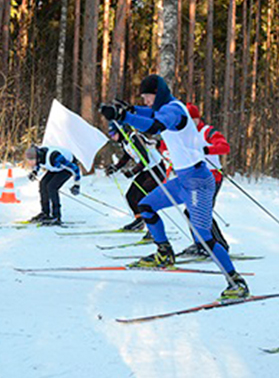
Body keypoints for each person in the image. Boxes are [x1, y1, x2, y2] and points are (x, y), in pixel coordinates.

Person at [99, 74, 249, 299]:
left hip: (198, 182)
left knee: (203, 236)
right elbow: (148, 113)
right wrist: (129, 110)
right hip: (182, 181)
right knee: (146, 205)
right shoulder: (164, 107)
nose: (146, 101)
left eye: (147, 97)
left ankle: (236, 282)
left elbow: (154, 124)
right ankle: (164, 253)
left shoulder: (174, 111)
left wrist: (125, 116)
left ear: (157, 94)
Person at [178, 103, 231, 257]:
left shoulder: (207, 131)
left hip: (213, 176)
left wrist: (207, 150)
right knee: (190, 211)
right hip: (196, 178)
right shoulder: (185, 134)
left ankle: (219, 245)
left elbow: (224, 147)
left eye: (190, 120)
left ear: (196, 119)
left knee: (202, 212)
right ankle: (201, 244)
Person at [105, 122, 166, 235]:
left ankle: (153, 228)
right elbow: (126, 157)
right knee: (131, 196)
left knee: (143, 199)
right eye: (110, 135)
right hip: (147, 171)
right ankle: (139, 221)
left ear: (120, 131)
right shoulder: (125, 142)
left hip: (157, 170)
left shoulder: (135, 138)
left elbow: (145, 159)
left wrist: (133, 172)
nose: (112, 137)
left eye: (113, 134)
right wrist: (116, 167)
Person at [25, 145, 81, 226]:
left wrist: (77, 185)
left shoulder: (55, 158)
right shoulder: (40, 157)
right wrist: (34, 172)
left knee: (52, 187)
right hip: (55, 167)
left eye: (31, 160)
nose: (30, 163)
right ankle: (45, 213)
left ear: (37, 157)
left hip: (66, 168)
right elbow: (38, 164)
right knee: (43, 184)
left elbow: (75, 168)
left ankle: (56, 216)